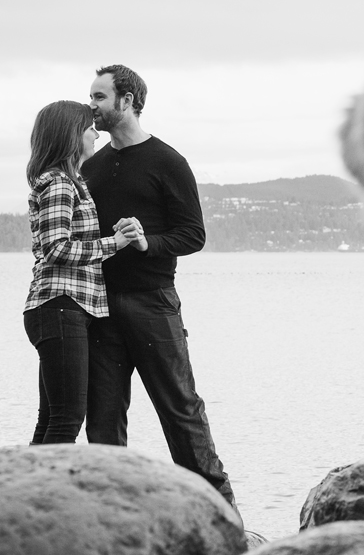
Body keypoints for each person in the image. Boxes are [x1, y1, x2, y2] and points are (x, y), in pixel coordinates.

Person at [81, 64, 240, 517]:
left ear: (127, 101)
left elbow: (193, 235)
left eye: (99, 97)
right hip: (100, 305)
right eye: (92, 97)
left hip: (153, 304)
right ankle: (111, 520)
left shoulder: (167, 162)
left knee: (181, 411)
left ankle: (222, 516)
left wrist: (148, 241)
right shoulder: (91, 166)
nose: (91, 105)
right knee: (104, 419)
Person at [24, 100, 142, 445]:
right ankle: (47, 497)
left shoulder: (71, 182)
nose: (95, 133)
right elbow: (56, 248)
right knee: (67, 417)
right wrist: (114, 243)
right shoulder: (60, 184)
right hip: (60, 305)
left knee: (53, 417)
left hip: (66, 308)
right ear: (71, 135)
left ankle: (28, 494)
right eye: (88, 127)